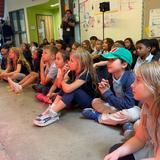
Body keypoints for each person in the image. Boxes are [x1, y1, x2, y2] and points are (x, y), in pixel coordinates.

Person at [104, 61, 160, 160]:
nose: (132, 85)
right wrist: (117, 153)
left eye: (138, 80)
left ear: (157, 87)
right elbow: (140, 138)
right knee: (115, 151)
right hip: (153, 148)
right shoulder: (146, 106)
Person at [33, 47, 98, 127]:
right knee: (68, 84)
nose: (69, 63)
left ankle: (53, 112)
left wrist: (64, 82)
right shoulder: (73, 72)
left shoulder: (86, 74)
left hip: (89, 103)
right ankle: (53, 107)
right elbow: (60, 85)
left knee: (73, 89)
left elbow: (67, 88)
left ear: (81, 63)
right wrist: (63, 74)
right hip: (78, 100)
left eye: (71, 61)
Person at [82, 48, 139, 137]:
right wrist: (103, 91)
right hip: (117, 106)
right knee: (95, 101)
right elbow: (106, 99)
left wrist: (107, 93)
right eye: (108, 60)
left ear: (124, 64)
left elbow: (129, 104)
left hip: (132, 107)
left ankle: (98, 116)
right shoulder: (110, 75)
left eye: (112, 60)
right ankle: (124, 123)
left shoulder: (130, 78)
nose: (108, 63)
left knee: (132, 114)